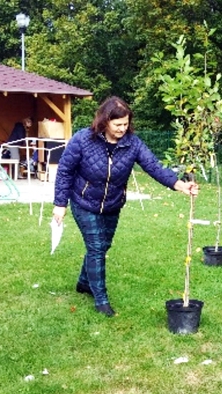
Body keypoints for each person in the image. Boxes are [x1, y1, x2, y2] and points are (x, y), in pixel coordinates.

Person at [52, 96, 198, 317]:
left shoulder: (133, 143)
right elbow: (65, 172)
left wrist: (179, 185)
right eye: (117, 124)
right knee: (97, 247)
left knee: (103, 246)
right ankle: (101, 299)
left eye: (125, 124)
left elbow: (153, 166)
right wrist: (60, 204)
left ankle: (84, 282)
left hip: (113, 204)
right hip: (84, 202)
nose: (122, 128)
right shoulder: (82, 139)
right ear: (104, 121)